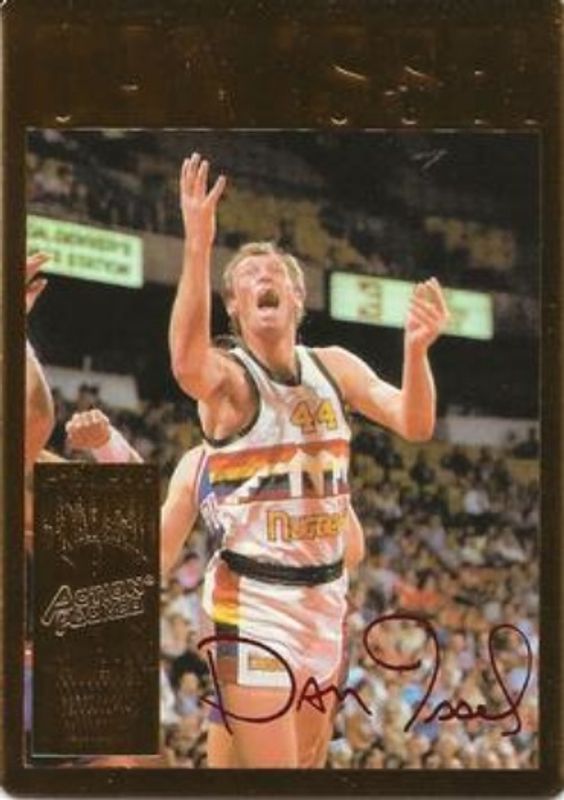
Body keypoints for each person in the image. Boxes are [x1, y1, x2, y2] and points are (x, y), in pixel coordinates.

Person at [168, 153, 450, 768]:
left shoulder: (336, 366)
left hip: (325, 601)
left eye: (275, 271)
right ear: (234, 306)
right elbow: (186, 364)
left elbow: (415, 422)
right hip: (252, 604)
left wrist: (416, 350)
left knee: (294, 767)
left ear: (297, 296)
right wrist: (198, 244)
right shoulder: (230, 380)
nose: (263, 275)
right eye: (248, 275)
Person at [67, 409, 365, 768]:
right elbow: (157, 551)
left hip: (309, 631)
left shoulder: (300, 455)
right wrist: (108, 448)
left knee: (297, 766)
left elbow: (353, 550)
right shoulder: (198, 463)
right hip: (246, 631)